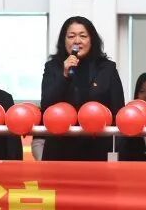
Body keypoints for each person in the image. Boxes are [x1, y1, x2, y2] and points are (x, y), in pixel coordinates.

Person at [40, 16, 125, 161]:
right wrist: (64, 75)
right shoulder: (53, 67)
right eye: (71, 36)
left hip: (96, 148)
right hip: (59, 148)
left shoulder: (107, 68)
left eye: (83, 36)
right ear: (63, 41)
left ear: (92, 40)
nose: (77, 41)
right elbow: (46, 105)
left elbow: (118, 110)